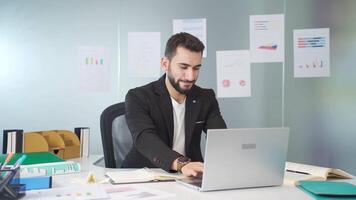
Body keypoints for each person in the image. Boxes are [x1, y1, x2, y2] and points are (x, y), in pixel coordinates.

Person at [122, 32, 227, 177]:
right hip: (145, 175)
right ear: (165, 64)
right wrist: (181, 163)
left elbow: (220, 138)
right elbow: (145, 138)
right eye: (184, 67)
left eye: (196, 68)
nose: (191, 76)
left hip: (190, 176)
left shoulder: (205, 97)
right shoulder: (138, 97)